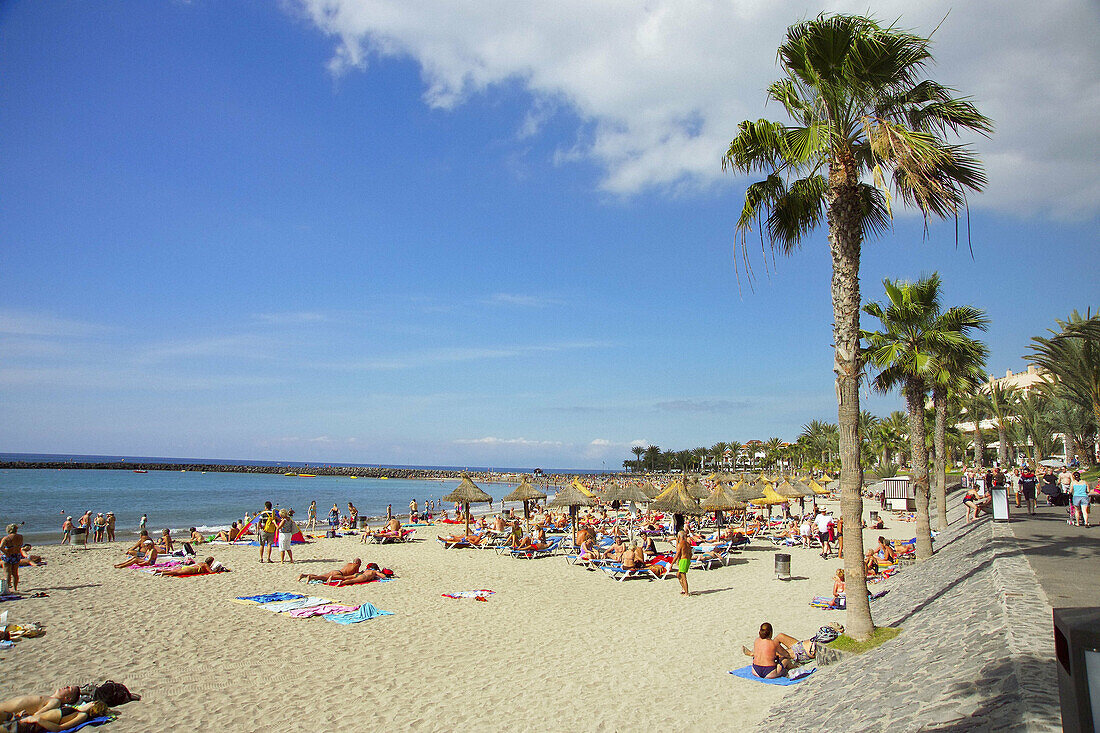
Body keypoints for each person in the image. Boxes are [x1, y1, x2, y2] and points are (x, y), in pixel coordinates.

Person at [6, 700, 109, 731]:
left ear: (93, 705)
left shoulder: (82, 716)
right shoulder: (76, 709)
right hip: (25, 719)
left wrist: (38, 720)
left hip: (29, 725)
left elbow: (59, 728)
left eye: (92, 702)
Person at [0, 686, 79, 720]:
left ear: (68, 698)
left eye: (69, 689)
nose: (65, 687)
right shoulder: (50, 698)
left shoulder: (55, 702)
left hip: (5, 713)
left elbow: (39, 714)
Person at [2, 524, 25, 593]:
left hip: (9, 555)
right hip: (16, 555)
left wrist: (6, 553)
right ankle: (15, 588)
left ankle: (8, 588)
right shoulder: (20, 537)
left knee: (7, 573)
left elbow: (1, 547)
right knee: (15, 573)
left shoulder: (6, 538)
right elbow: (20, 545)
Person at [153, 556, 228, 576]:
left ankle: (159, 570)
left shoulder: (202, 563)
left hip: (189, 567)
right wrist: (217, 570)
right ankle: (164, 573)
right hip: (191, 570)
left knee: (175, 571)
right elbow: (211, 572)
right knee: (177, 573)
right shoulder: (206, 565)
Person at [673, 530, 692, 596]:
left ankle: (687, 593)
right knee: (678, 575)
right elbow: (690, 553)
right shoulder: (687, 544)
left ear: (679, 536)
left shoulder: (680, 544)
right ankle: (684, 589)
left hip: (683, 560)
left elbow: (677, 554)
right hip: (687, 560)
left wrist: (672, 563)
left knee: (683, 577)